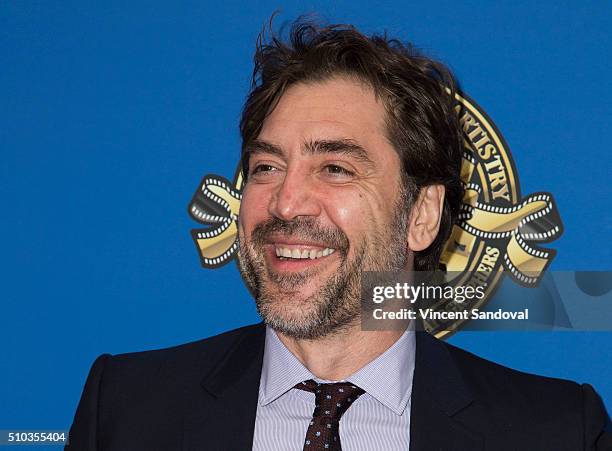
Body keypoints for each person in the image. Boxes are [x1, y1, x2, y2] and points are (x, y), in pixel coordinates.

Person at [66, 18, 612, 451]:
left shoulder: (556, 430)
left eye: (335, 168)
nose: (285, 202)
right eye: (266, 167)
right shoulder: (125, 409)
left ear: (422, 214)